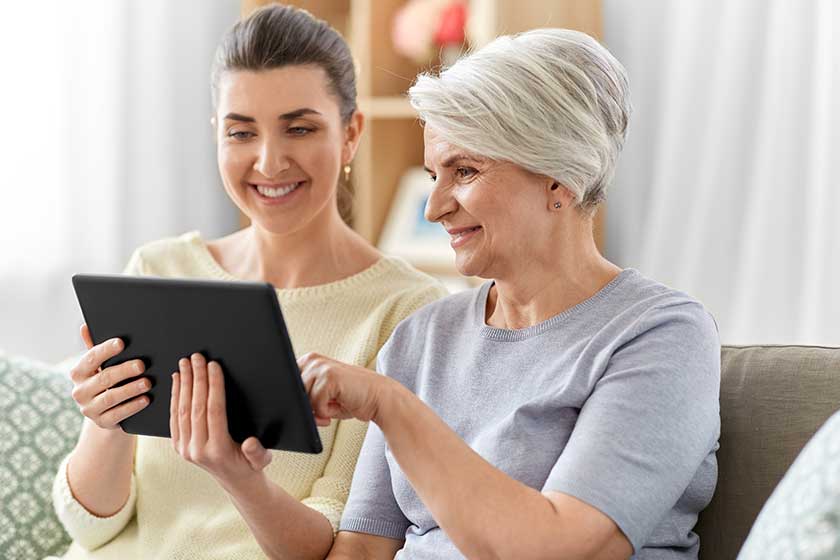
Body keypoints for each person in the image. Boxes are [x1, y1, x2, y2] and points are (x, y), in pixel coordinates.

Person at [299, 29, 722, 559]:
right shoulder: (422, 338)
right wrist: (235, 472)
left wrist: (392, 406)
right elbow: (361, 551)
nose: (433, 209)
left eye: (465, 171)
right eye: (434, 174)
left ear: (559, 179)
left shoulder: (660, 335)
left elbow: (563, 548)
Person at [51, 5, 446, 559]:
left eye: (300, 128)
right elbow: (89, 527)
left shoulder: (405, 311)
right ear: (218, 134)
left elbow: (335, 548)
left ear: (351, 133)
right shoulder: (160, 271)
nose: (269, 161)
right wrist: (106, 423)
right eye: (242, 132)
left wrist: (241, 479)